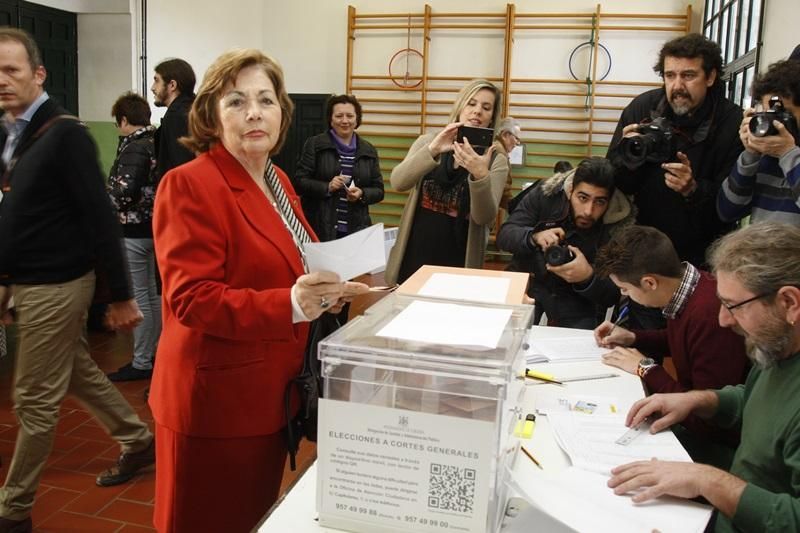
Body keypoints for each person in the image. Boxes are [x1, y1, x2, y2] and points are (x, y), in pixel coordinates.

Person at [150, 49, 368, 532]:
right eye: (236, 101)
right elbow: (191, 299)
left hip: (272, 393)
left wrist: (332, 285)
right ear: (211, 114)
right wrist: (292, 303)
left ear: (281, 114)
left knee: (250, 517)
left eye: (266, 100)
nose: (253, 112)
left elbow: (296, 261)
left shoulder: (277, 180)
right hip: (215, 402)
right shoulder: (188, 185)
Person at [0, 28, 155, 532]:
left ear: (38, 74)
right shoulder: (12, 131)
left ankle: (14, 509)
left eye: (12, 70)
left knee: (32, 398)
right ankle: (137, 438)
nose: (2, 81)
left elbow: (100, 216)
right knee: (76, 372)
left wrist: (123, 295)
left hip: (56, 285)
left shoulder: (65, 134)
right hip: (27, 280)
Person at [607, 222, 800, 533]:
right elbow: (752, 399)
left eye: (733, 307)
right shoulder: (778, 346)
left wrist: (707, 479)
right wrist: (701, 399)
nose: (723, 320)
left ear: (789, 303)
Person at [593, 225, 749, 459]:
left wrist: (646, 368)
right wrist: (634, 337)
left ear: (649, 283)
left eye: (625, 289)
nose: (625, 296)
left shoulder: (709, 317)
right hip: (699, 424)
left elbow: (705, 418)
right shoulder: (690, 286)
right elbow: (683, 341)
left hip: (720, 444)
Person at [607, 33, 743, 267]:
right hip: (644, 244)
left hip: (704, 254)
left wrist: (693, 190)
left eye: (688, 75)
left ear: (710, 77)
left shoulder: (732, 122)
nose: (677, 86)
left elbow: (732, 207)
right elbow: (616, 182)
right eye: (670, 75)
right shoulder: (643, 108)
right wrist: (626, 156)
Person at [385, 79, 509, 284]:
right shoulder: (429, 142)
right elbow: (398, 182)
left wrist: (480, 175)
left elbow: (484, 217)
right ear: (460, 107)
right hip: (414, 256)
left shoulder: (496, 159)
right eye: (471, 103)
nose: (477, 111)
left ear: (492, 117)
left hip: (458, 263)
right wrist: (432, 150)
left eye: (486, 107)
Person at [497, 157, 631, 329]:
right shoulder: (545, 194)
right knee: (506, 338)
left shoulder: (619, 225)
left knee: (577, 350)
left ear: (610, 201)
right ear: (570, 190)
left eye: (600, 202)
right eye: (583, 198)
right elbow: (505, 235)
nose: (588, 211)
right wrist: (533, 237)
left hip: (578, 299)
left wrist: (588, 277)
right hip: (529, 281)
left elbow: (614, 293)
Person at [105, 92, 160, 382]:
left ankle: (141, 361)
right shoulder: (155, 143)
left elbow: (122, 193)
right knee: (151, 296)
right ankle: (151, 355)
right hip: (152, 229)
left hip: (134, 230)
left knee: (140, 298)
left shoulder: (135, 147)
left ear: (124, 120)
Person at [717, 59, 800, 225]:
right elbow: (727, 211)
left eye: (784, 114)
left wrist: (788, 154)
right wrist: (750, 154)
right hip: (761, 249)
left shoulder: (786, 155)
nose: (777, 122)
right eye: (770, 113)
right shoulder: (767, 157)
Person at [292, 94, 383, 241]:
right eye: (339, 116)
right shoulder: (315, 144)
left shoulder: (368, 150)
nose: (345, 121)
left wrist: (361, 193)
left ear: (357, 119)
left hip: (356, 229)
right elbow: (299, 182)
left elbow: (379, 190)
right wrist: (327, 187)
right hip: (320, 228)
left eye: (350, 116)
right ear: (330, 119)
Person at [151, 58, 196, 180]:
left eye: (156, 81)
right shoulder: (194, 109)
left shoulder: (176, 116)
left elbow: (181, 167)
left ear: (172, 85)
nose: (152, 88)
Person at [493, 117, 521, 211]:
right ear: (505, 134)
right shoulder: (500, 154)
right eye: (516, 138)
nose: (517, 143)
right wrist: (517, 209)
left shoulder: (495, 147)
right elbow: (503, 191)